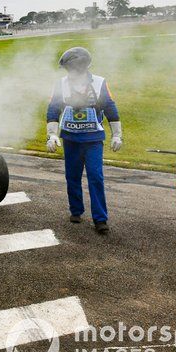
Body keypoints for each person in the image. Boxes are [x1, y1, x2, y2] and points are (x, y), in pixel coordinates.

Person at [46, 47, 122, 234]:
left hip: (93, 139)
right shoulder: (61, 84)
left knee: (96, 177)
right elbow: (53, 110)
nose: (69, 74)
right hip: (70, 138)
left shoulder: (99, 82)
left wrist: (117, 134)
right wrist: (52, 135)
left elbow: (111, 109)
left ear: (81, 68)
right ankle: (76, 210)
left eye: (71, 69)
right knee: (72, 176)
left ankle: (100, 219)